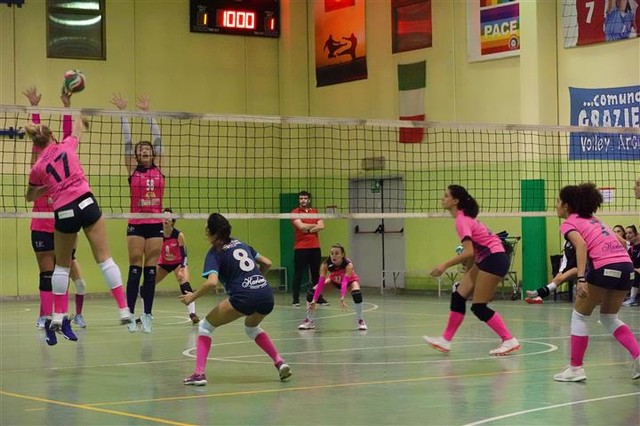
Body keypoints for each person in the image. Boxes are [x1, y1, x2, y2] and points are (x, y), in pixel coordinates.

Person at [25, 114, 132, 345]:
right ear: (53, 135)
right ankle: (124, 309)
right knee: (105, 259)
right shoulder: (67, 145)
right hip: (86, 202)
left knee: (61, 266)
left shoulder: (38, 167)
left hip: (64, 210)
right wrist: (79, 115)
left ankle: (58, 315)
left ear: (36, 144)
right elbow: (78, 127)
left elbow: (29, 196)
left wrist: (46, 187)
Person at [179, 213, 291, 386]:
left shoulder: (215, 253)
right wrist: (257, 281)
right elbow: (267, 263)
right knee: (251, 328)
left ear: (210, 231)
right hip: (265, 294)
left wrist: (192, 296)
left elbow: (212, 282)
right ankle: (279, 362)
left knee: (205, 327)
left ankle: (199, 374)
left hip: (243, 297)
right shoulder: (241, 243)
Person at [552, 183, 640, 382]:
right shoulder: (594, 219)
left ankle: (575, 368)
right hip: (626, 267)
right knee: (609, 317)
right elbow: (622, 242)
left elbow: (581, 245)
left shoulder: (568, 223)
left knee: (579, 316)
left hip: (604, 267)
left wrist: (581, 278)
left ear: (566, 206)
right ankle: (639, 356)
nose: (556, 205)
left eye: (558, 201)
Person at [423, 185, 521, 356]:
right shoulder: (464, 218)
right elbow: (473, 251)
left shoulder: (462, 221)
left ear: (455, 201)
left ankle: (509, 340)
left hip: (494, 259)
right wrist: (468, 273)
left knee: (479, 307)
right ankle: (445, 340)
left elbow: (468, 251)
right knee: (458, 296)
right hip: (487, 258)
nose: (442, 199)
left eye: (446, 196)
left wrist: (444, 265)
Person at [23, 87, 89, 336]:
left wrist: (66, 106)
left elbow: (64, 135)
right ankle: (44, 316)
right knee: (46, 274)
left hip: (63, 221)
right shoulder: (38, 165)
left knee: (65, 273)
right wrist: (35, 110)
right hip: (41, 223)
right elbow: (39, 138)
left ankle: (66, 315)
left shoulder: (63, 153)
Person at [111, 93, 164, 333]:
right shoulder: (132, 169)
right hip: (136, 222)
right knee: (135, 269)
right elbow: (127, 140)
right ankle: (131, 314)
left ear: (152, 154)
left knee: (151, 271)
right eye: (140, 149)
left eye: (147, 149)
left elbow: (158, 139)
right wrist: (124, 113)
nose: (144, 150)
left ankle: (148, 314)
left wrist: (147, 114)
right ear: (136, 154)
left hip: (155, 223)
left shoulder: (159, 168)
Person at [145, 208, 200, 333]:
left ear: (172, 221)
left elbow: (184, 255)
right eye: (163, 217)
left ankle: (193, 314)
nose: (165, 219)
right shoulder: (158, 234)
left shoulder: (178, 235)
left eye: (168, 217)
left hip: (178, 263)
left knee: (185, 285)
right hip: (164, 264)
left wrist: (182, 268)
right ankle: (146, 313)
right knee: (147, 285)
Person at [298, 243, 367, 331]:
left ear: (342, 254)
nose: (334, 256)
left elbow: (345, 281)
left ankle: (360, 321)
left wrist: (342, 296)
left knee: (357, 293)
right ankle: (309, 320)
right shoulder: (325, 264)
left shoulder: (348, 265)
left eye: (337, 253)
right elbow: (321, 282)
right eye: (332, 253)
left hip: (350, 282)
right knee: (311, 293)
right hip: (333, 281)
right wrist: (314, 300)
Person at [291, 191, 328, 307]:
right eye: (301, 198)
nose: (303, 200)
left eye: (305, 198)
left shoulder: (315, 212)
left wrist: (307, 229)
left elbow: (321, 226)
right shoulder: (295, 212)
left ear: (309, 200)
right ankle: (295, 299)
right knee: (298, 274)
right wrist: (313, 226)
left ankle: (318, 298)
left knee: (317, 274)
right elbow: (300, 226)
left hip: (315, 247)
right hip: (301, 247)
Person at [622, 225, 640, 307]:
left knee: (635, 274)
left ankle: (632, 299)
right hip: (632, 269)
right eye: (626, 233)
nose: (628, 235)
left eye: (630, 233)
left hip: (637, 271)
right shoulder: (629, 247)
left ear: (636, 234)